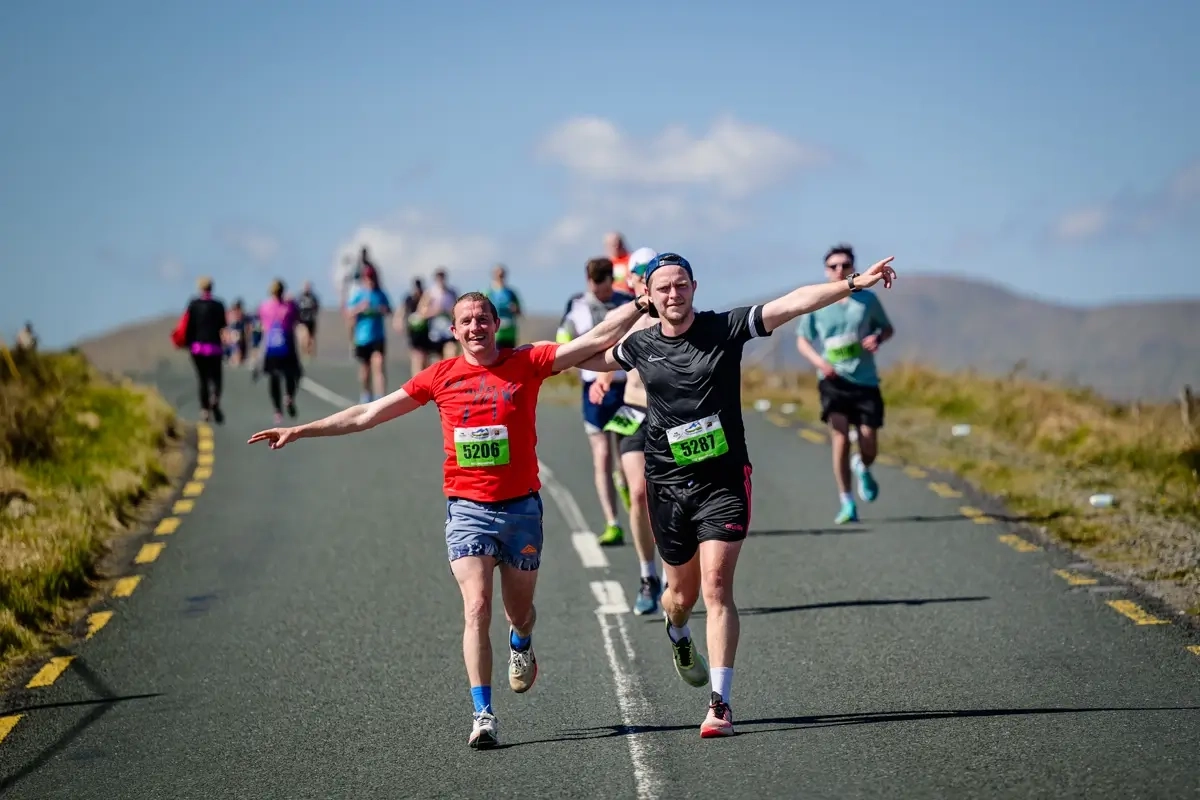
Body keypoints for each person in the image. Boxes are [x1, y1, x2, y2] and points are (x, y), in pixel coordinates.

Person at [247, 289, 653, 749]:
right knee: (476, 607)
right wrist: (300, 430)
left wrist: (641, 305)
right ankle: (483, 714)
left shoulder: (527, 362)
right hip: (467, 511)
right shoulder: (440, 376)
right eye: (466, 321)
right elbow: (368, 414)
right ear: (454, 331)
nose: (475, 326)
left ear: (496, 325)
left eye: (483, 318)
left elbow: (593, 340)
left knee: (518, 613)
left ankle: (521, 640)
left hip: (520, 509)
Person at [576, 251, 898, 737]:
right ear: (649, 294)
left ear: (694, 287)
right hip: (668, 483)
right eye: (662, 288)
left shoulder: (723, 328)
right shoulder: (639, 344)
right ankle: (678, 632)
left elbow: (793, 303)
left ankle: (720, 704)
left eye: (681, 285)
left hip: (723, 480)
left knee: (716, 587)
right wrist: (634, 311)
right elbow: (583, 353)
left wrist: (852, 283)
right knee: (679, 597)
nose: (673, 294)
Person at [795, 243, 896, 524]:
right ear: (826, 271)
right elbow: (803, 340)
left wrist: (877, 338)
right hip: (833, 380)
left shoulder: (868, 300)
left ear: (854, 268)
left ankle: (862, 464)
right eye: (833, 266)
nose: (840, 270)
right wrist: (820, 363)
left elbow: (887, 328)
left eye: (845, 265)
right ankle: (847, 501)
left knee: (869, 444)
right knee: (839, 436)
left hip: (864, 380)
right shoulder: (817, 303)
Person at [587, 246, 662, 613]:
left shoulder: (675, 312)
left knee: (672, 499)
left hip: (672, 418)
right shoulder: (628, 316)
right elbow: (610, 351)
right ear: (631, 279)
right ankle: (648, 575)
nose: (647, 279)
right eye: (641, 273)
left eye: (653, 272)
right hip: (634, 411)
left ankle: (675, 571)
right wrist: (602, 380)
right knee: (639, 492)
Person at [556, 257, 635, 546]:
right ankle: (612, 523)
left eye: (601, 286)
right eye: (592, 284)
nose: (596, 291)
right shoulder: (578, 305)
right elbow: (564, 334)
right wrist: (563, 353)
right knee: (601, 456)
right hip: (594, 391)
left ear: (611, 280)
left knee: (626, 457)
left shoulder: (627, 302)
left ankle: (630, 493)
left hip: (625, 389)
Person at [183, 277, 228, 424]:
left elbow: (188, 326)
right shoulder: (218, 305)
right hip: (214, 348)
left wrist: (188, 344)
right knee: (216, 378)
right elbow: (223, 325)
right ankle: (215, 397)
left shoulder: (193, 305)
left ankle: (204, 409)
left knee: (202, 379)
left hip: (198, 348)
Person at [258, 279, 303, 423]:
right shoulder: (290, 307)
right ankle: (289, 396)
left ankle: (277, 410)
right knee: (292, 374)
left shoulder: (264, 307)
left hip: (271, 346)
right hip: (287, 344)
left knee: (274, 378)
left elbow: (263, 325)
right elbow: (297, 318)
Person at [346, 264, 392, 403]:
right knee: (365, 370)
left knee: (379, 364)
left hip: (378, 336)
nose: (370, 280)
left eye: (372, 277)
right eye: (368, 278)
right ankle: (366, 394)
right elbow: (348, 313)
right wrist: (359, 308)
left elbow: (389, 309)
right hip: (362, 338)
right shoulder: (359, 294)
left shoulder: (380, 293)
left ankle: (381, 397)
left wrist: (383, 309)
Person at [397, 277, 437, 376]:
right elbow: (402, 310)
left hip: (425, 332)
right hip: (414, 332)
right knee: (416, 358)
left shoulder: (426, 298)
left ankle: (425, 379)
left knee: (425, 358)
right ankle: (416, 380)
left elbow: (432, 311)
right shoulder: (409, 299)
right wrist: (399, 321)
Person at [420, 267, 459, 360]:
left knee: (451, 351)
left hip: (449, 329)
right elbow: (422, 312)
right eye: (439, 277)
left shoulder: (452, 292)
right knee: (439, 358)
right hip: (436, 331)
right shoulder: (430, 293)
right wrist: (435, 311)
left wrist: (451, 312)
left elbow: (459, 309)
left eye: (442, 277)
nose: (441, 279)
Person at [486, 265, 522, 349]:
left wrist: (515, 309)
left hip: (510, 333)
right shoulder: (488, 293)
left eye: (502, 275)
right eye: (499, 275)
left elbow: (520, 311)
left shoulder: (511, 293)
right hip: (495, 334)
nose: (501, 278)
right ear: (494, 276)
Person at [295, 281, 321, 359]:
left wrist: (314, 314)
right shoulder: (300, 297)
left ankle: (311, 355)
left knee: (311, 338)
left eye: (308, 286)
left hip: (311, 320)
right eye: (305, 286)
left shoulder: (313, 297)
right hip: (301, 320)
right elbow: (296, 308)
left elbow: (317, 307)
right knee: (303, 338)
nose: (307, 288)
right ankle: (305, 353)